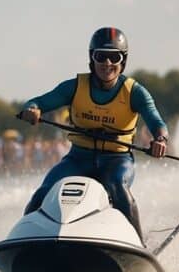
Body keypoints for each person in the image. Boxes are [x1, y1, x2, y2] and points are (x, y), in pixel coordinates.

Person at [20, 27, 168, 241]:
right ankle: (26, 238)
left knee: (117, 186)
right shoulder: (73, 87)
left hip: (117, 162)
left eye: (114, 57)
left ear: (123, 61)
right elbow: (37, 102)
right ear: (92, 58)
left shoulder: (135, 92)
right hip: (78, 159)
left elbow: (157, 122)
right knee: (45, 191)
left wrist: (160, 139)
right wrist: (32, 109)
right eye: (101, 56)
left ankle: (139, 244)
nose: (107, 63)